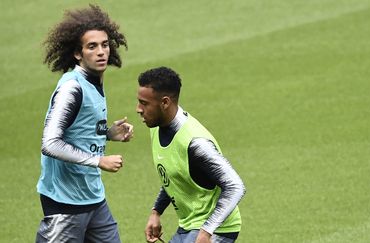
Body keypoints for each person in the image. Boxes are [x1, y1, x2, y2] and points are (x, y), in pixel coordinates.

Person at [36, 4, 132, 243]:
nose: (101, 52)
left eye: (105, 44)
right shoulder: (72, 87)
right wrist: (98, 161)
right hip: (65, 202)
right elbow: (50, 143)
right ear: (78, 53)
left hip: (93, 197)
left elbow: (79, 128)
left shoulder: (93, 83)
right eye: (92, 46)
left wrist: (108, 133)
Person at [136, 66, 246, 243]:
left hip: (217, 228)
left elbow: (235, 186)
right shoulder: (156, 128)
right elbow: (175, 175)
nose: (138, 109)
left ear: (165, 103)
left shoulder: (196, 143)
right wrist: (156, 212)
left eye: (144, 103)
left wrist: (207, 231)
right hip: (189, 225)